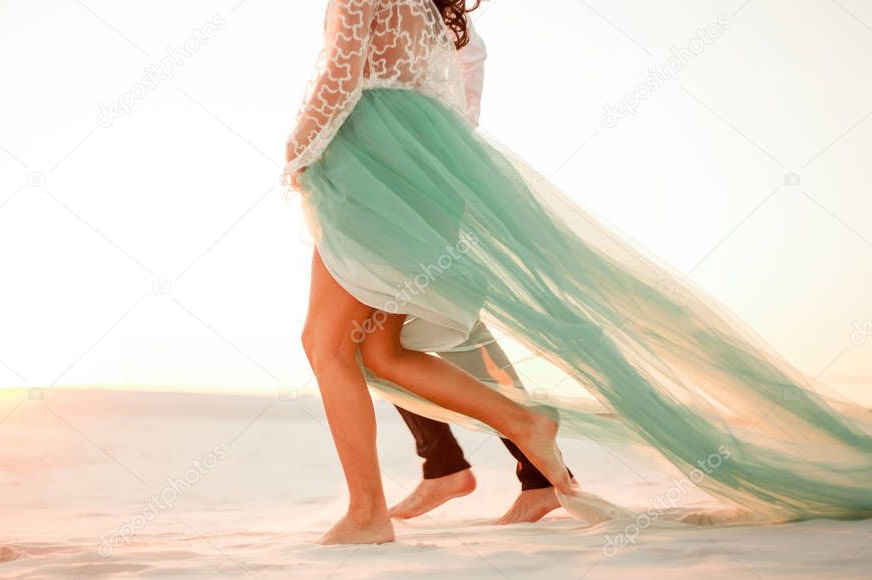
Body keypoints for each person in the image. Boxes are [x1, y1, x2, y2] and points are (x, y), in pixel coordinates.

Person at [286, 0, 872, 545]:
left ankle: (368, 513)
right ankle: (522, 422)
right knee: (381, 352)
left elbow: (342, 75)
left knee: (327, 344)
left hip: (374, 175)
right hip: (427, 178)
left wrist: (298, 151)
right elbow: (458, 107)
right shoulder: (436, 16)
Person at [389, 19, 572, 525]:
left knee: (386, 338)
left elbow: (440, 118)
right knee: (428, 334)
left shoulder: (430, 30)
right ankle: (526, 476)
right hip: (423, 191)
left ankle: (452, 467)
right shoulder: (452, 31)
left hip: (409, 192)